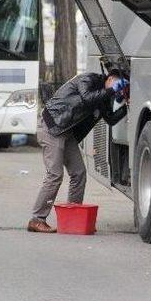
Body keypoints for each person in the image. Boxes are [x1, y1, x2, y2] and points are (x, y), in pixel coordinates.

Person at [28, 70, 129, 233]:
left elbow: (110, 118)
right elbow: (87, 98)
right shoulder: (88, 79)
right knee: (55, 175)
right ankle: (37, 219)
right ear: (109, 78)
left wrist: (125, 104)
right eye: (116, 83)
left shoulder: (104, 95)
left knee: (79, 172)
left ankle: (73, 217)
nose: (116, 88)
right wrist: (111, 90)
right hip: (52, 127)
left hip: (66, 132)